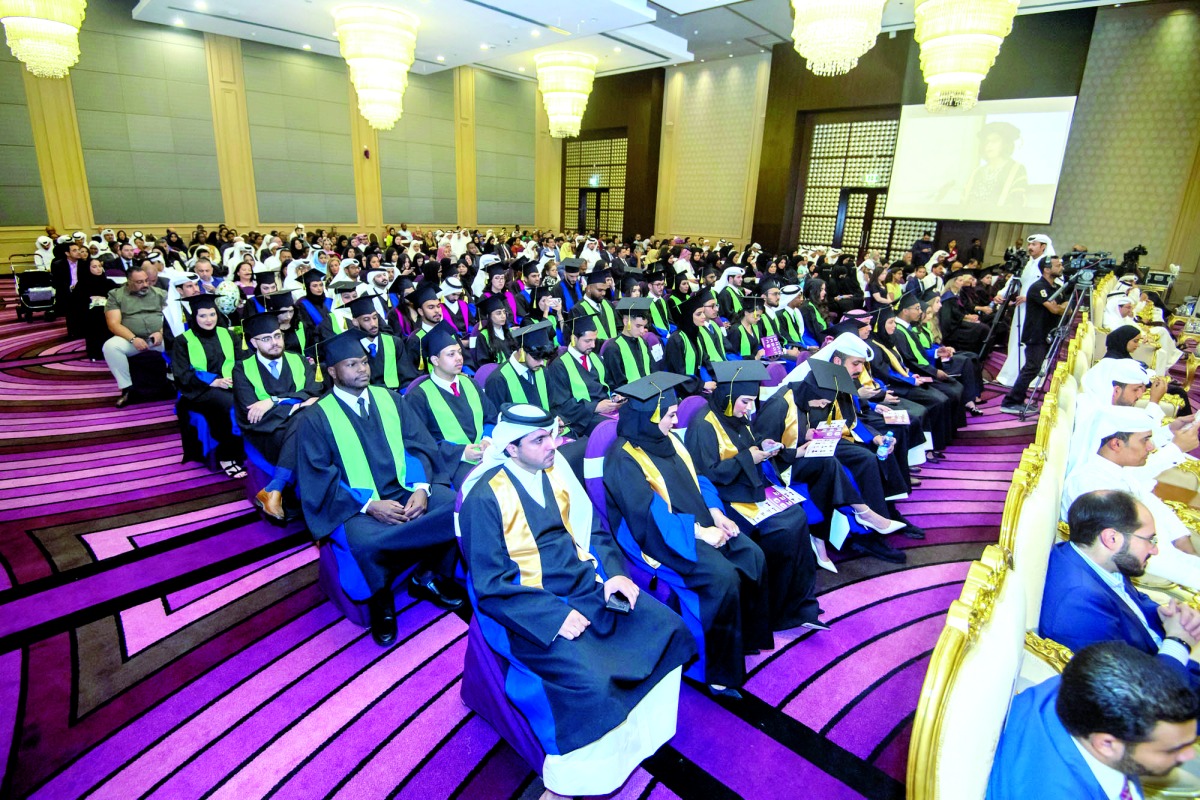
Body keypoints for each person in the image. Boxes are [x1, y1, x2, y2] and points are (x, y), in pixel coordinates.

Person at [458, 404, 696, 800]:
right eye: (539, 440)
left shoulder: (555, 471)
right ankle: (566, 786)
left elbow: (593, 530)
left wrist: (615, 573)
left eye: (551, 435)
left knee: (665, 627)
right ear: (511, 449)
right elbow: (490, 584)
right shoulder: (484, 498)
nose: (552, 445)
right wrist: (552, 617)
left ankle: (638, 741)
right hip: (529, 606)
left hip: (584, 584)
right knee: (590, 683)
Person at [605, 372, 772, 697]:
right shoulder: (623, 458)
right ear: (648, 416)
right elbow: (647, 517)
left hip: (696, 519)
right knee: (720, 577)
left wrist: (716, 513)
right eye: (669, 415)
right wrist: (701, 534)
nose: (675, 420)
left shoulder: (668, 440)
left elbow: (699, 479)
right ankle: (715, 671)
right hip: (657, 536)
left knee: (752, 554)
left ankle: (742, 639)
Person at [293, 331, 462, 647]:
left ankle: (425, 576)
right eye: (352, 364)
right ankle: (380, 598)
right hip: (356, 503)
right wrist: (368, 505)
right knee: (367, 541)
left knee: (454, 507)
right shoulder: (316, 418)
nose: (362, 369)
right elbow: (318, 476)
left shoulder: (391, 399)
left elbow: (417, 445)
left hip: (405, 487)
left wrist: (421, 488)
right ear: (332, 372)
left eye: (364, 362)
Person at [684, 360, 827, 631]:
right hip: (724, 496)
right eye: (745, 401)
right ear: (728, 396)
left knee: (797, 517)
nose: (749, 408)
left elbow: (750, 442)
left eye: (751, 402)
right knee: (784, 529)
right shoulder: (704, 425)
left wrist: (763, 444)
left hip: (748, 484)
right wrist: (748, 458)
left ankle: (797, 603)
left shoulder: (735, 414)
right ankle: (775, 610)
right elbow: (705, 475)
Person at [986, 641, 1199, 800]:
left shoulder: (1079, 687)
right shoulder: (1052, 791)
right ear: (1106, 744)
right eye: (1171, 750)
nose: (1189, 754)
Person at [1040, 490, 1200, 690]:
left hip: (1163, 666)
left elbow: (1133, 601)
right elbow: (1137, 692)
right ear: (1111, 538)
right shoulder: (1079, 604)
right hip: (1160, 688)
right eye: (1150, 540)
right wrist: (1178, 641)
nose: (1154, 549)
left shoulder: (1094, 558)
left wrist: (1169, 615)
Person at [1062, 407, 1200, 590]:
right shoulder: (1092, 486)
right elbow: (1129, 551)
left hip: (1170, 555)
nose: (1151, 447)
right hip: (1154, 566)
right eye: (1145, 440)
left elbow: (1157, 509)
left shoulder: (1117, 471)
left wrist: (1183, 543)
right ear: (1116, 444)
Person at [232, 312, 322, 521]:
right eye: (266, 338)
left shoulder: (298, 360)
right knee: (306, 424)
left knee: (304, 422)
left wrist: (274, 401)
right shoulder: (242, 369)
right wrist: (298, 405)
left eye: (277, 335)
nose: (274, 342)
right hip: (267, 429)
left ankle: (276, 489)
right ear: (253, 342)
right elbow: (250, 411)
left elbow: (314, 390)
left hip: (296, 421)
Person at [405, 323, 499, 488]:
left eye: (460, 352)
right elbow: (421, 442)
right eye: (451, 354)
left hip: (487, 453)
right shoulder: (418, 396)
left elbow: (490, 417)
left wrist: (487, 439)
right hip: (450, 464)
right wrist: (461, 453)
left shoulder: (471, 384)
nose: (459, 358)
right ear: (435, 360)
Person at [171, 294, 246, 477]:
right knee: (230, 404)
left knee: (250, 398)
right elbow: (182, 374)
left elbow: (241, 361)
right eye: (202, 315)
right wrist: (213, 381)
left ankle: (246, 451)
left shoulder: (229, 335)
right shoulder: (183, 341)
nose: (209, 320)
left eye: (212, 314)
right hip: (198, 390)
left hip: (229, 384)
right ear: (194, 317)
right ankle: (226, 456)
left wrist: (233, 379)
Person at [1001, 254, 1068, 413]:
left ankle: (1018, 398)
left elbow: (1068, 308)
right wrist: (1060, 307)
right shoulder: (1038, 287)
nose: (1062, 268)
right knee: (1031, 368)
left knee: (1034, 368)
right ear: (1046, 269)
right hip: (1036, 334)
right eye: (1057, 265)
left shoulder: (1055, 288)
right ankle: (1010, 401)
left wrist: (1061, 307)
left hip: (1047, 333)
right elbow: (1055, 309)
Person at [103, 264, 167, 408]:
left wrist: (161, 332)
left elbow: (172, 318)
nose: (145, 285)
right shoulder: (116, 295)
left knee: (180, 340)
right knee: (110, 347)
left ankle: (174, 381)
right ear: (129, 282)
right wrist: (133, 339)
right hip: (131, 340)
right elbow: (113, 324)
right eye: (139, 282)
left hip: (158, 339)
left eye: (146, 281)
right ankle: (127, 388)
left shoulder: (160, 294)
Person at [547, 314, 621, 436]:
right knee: (613, 429)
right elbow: (562, 405)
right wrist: (595, 407)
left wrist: (614, 397)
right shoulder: (559, 366)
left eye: (594, 340)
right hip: (581, 420)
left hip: (606, 410)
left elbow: (609, 384)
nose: (593, 345)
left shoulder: (596, 358)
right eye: (587, 341)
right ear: (574, 338)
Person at [996, 233, 1054, 387]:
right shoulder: (1028, 263)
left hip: (1038, 311)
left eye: (1034, 244)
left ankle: (1029, 376)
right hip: (1021, 309)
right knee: (1016, 339)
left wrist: (1030, 297)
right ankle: (1012, 374)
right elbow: (1015, 280)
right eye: (1029, 244)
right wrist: (1001, 294)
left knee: (1030, 342)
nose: (1030, 247)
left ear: (1043, 247)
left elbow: (1054, 289)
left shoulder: (1049, 265)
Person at [344, 295, 406, 391]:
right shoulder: (350, 349)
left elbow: (406, 377)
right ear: (355, 322)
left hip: (395, 394)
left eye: (375, 317)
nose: (373, 324)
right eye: (366, 319)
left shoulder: (394, 342)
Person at [71, 258, 118, 360]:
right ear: (88, 269)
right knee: (95, 316)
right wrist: (91, 300)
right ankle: (96, 352)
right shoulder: (82, 284)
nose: (98, 269)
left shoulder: (109, 282)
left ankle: (111, 350)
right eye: (94, 267)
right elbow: (77, 301)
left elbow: (118, 296)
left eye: (100, 266)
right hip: (91, 313)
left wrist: (105, 299)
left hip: (109, 310)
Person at [602, 298, 655, 386]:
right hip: (627, 393)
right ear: (626, 321)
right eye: (638, 326)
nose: (642, 331)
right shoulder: (613, 348)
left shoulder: (643, 342)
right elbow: (615, 382)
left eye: (644, 326)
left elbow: (652, 369)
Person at [467, 293, 516, 370]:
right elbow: (484, 363)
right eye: (498, 313)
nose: (503, 316)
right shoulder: (483, 336)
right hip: (496, 373)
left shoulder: (508, 332)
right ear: (488, 316)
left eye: (504, 312)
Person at [572, 268, 618, 341]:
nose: (603, 293)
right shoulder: (578, 309)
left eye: (605, 290)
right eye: (600, 290)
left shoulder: (608, 304)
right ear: (589, 288)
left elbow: (619, 327)